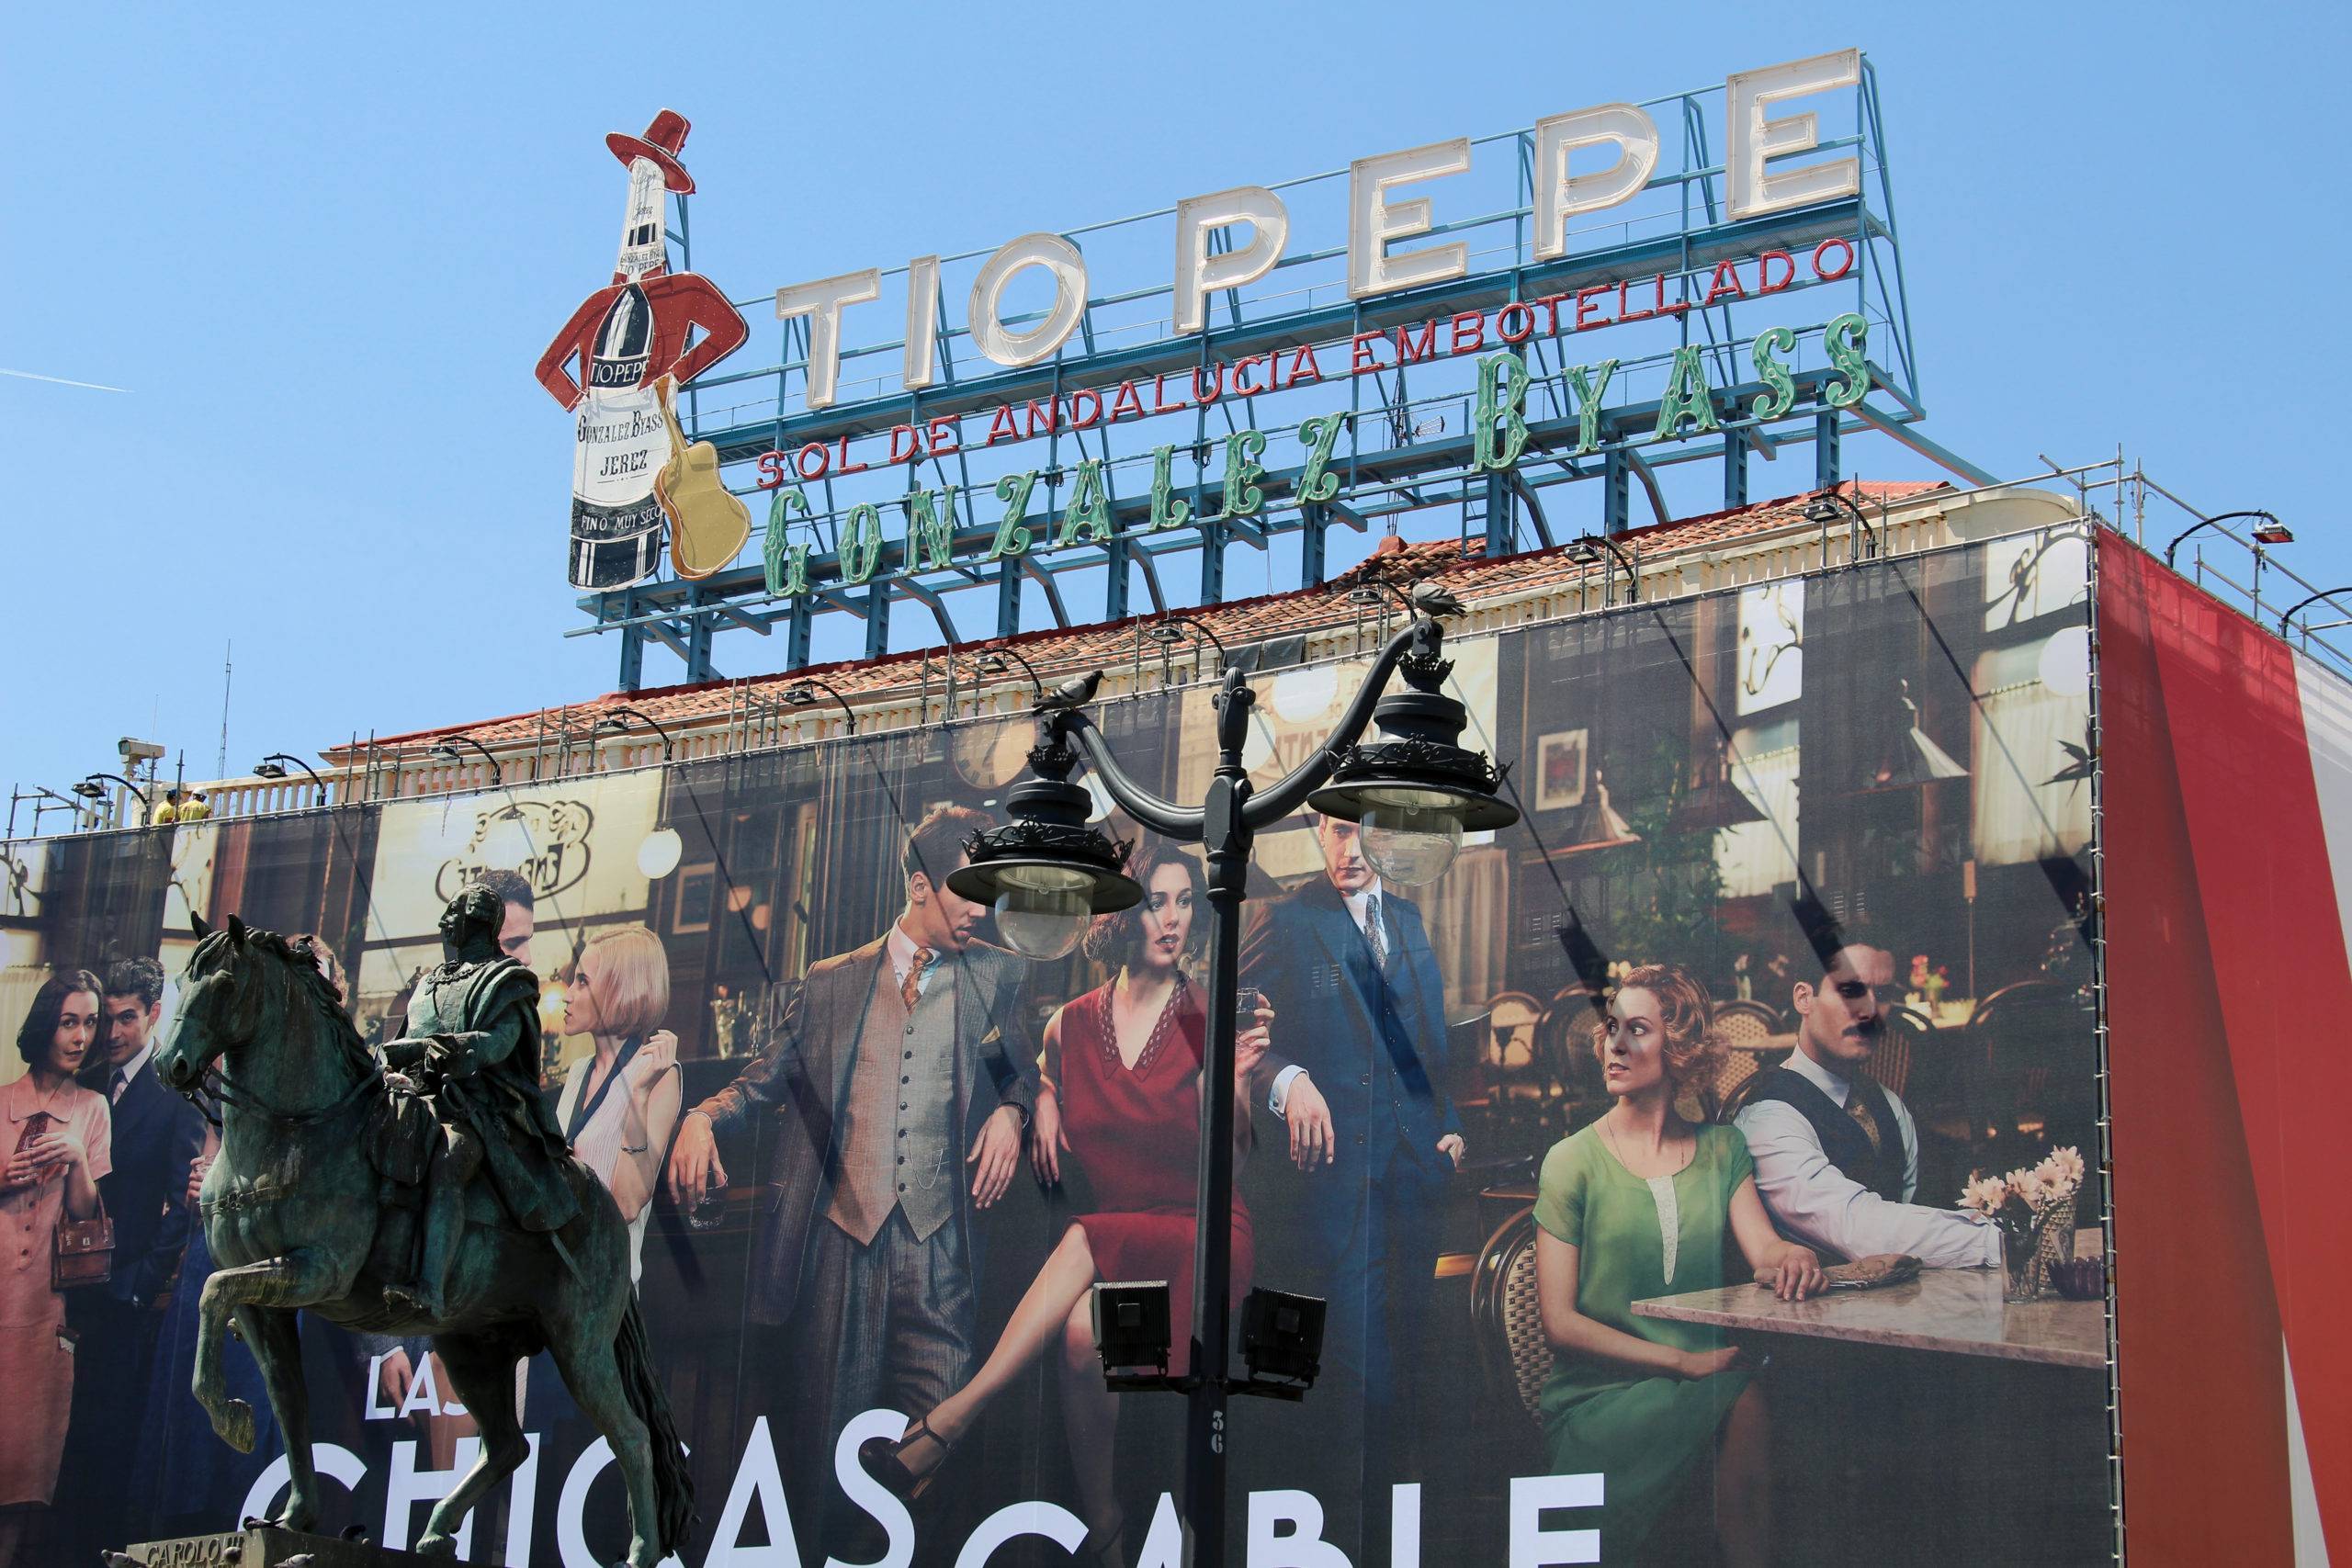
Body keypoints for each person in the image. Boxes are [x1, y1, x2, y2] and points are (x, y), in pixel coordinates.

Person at [859, 840, 1270, 1562]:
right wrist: (1037, 1103)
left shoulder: (1204, 1015)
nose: (1172, 920)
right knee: (1082, 1334)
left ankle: (951, 1420)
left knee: (1082, 1236)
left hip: (1198, 1235)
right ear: (1121, 916)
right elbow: (1026, 1071)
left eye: (1182, 902)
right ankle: (1106, 1523)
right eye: (1154, 903)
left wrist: (1233, 1084)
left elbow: (1231, 1163)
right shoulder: (1070, 1024)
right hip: (1120, 1237)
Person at [664, 805, 1038, 1540]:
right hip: (839, 1245)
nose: (982, 908)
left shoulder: (995, 977)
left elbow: (1017, 1073)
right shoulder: (833, 981)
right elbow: (765, 1078)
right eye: (969, 889)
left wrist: (1013, 1114)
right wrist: (701, 1117)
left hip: (941, 1253)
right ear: (920, 885)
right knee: (822, 1457)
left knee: (940, 1446)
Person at [1534, 964, 1824, 1566]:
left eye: (1636, 1029)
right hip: (1603, 1396)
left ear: (1681, 1046)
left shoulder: (1724, 1150)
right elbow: (1559, 1323)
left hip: (1707, 1375)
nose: (1614, 1044)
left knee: (1760, 1400)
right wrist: (1681, 1361)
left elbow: (1764, 1249)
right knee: (1744, 1400)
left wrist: (1791, 1254)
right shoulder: (1570, 1161)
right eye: (1611, 1028)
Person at [1238, 810, 1463, 1546]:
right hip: (1335, 1183)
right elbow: (1242, 1040)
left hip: (1415, 1175)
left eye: (1363, 831)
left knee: (1420, 1352)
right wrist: (1289, 1078)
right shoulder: (1288, 917)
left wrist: (1448, 1125)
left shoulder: (1408, 916)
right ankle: (1353, 1533)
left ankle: (1406, 1530)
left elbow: (1424, 1047)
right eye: (1334, 830)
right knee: (1363, 1371)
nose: (1349, 848)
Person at [1733, 924, 2001, 1268]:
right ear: (1803, 998)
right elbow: (1859, 1231)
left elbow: (1908, 1209)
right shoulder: (1767, 1116)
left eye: (1884, 994)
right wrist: (2001, 1241)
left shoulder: (1888, 1104)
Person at [58, 957, 205, 1553]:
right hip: (72, 1289)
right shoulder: (88, 1078)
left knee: (109, 1444)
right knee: (65, 1445)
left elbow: (181, 1202)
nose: (111, 1032)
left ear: (153, 1014)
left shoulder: (176, 1093)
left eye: (125, 1018)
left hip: (128, 1297)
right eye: (106, 1018)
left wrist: (141, 1282)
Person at [379, 886, 579, 1318]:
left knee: (448, 1156)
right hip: (416, 1100)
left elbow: (501, 1043)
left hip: (475, 1108)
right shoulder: (428, 982)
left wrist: (454, 1048)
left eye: (450, 916)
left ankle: (430, 1287)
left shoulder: (508, 981)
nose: (442, 926)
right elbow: (403, 1039)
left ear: (474, 922)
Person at [0, 971, 112, 1568]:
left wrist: (74, 1160)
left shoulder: (91, 1110)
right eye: (70, 1020)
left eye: (90, 1021)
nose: (81, 1035)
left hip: (46, 1317)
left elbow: (85, 1221)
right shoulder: (0, 1103)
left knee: (24, 1477)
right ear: (46, 1023)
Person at [555, 924, 683, 1282]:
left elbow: (627, 1203)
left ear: (619, 990)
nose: (567, 994)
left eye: (582, 981)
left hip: (605, 1290)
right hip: (556, 1283)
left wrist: (638, 1094)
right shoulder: (579, 1073)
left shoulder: (659, 1074)